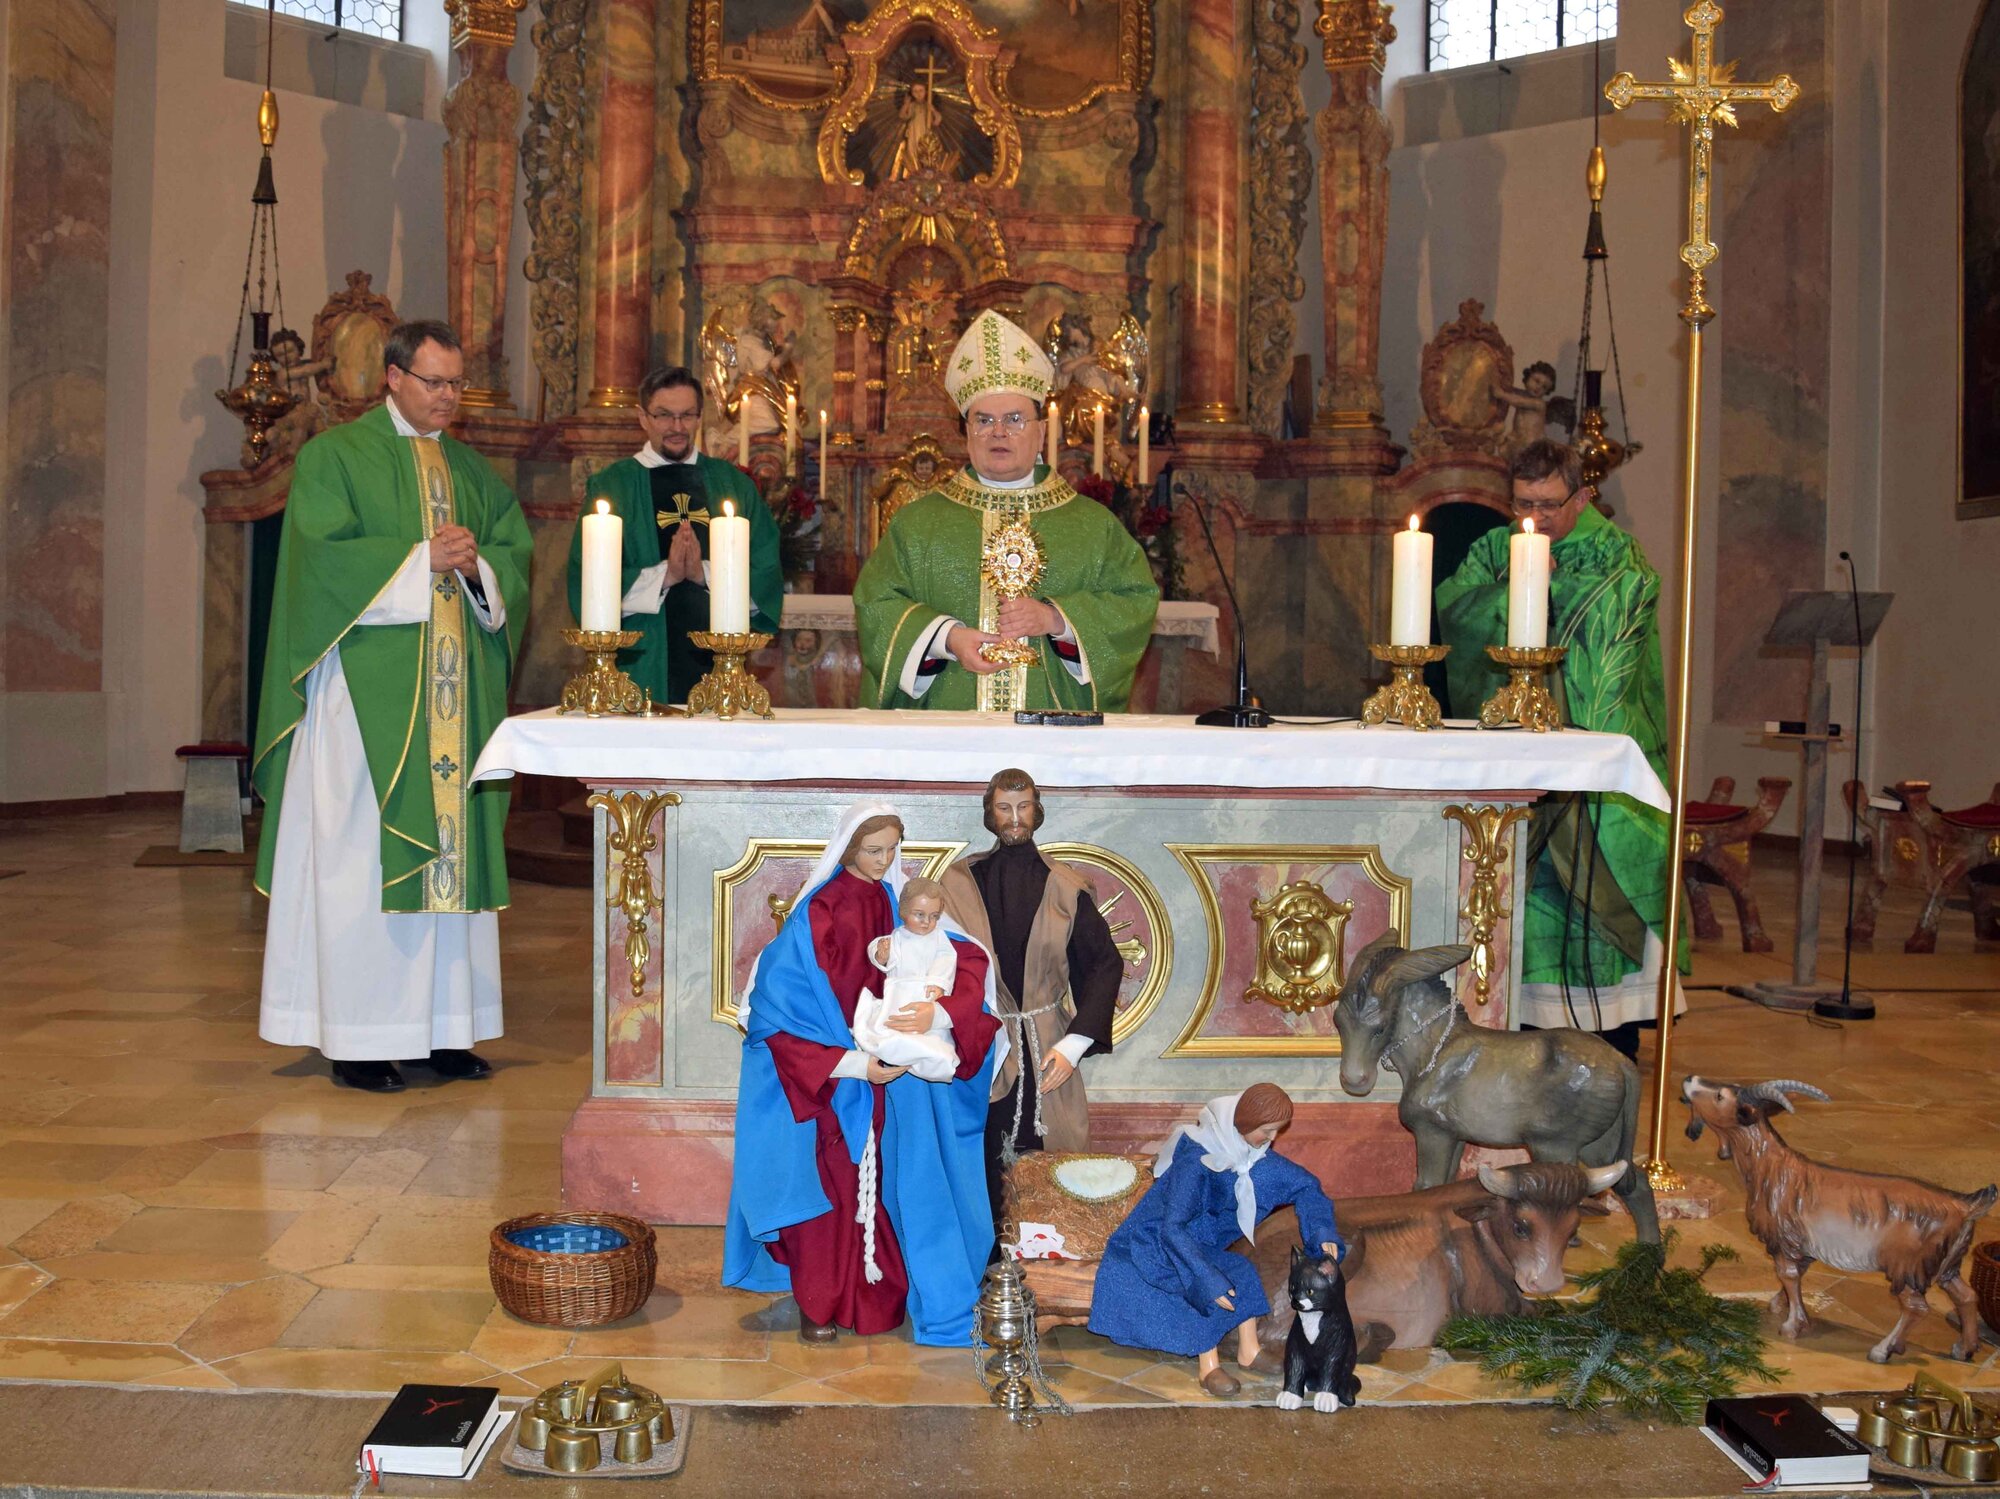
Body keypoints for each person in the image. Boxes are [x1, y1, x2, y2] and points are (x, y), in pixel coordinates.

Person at [254, 319, 532, 1092]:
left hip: (453, 702)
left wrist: (482, 569)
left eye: (455, 384)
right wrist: (418, 560)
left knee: (453, 861)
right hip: (364, 704)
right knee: (358, 860)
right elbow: (318, 559)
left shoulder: (473, 470)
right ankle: (361, 1037)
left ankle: (445, 1031)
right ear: (393, 376)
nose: (448, 397)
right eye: (434, 382)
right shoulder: (332, 457)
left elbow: (512, 549)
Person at [1435, 438, 1687, 1059]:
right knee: (1525, 910)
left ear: (1583, 495)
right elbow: (1454, 610)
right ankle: (1521, 1041)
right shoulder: (1495, 549)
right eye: (1522, 503)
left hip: (1591, 769)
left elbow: (1618, 634)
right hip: (1515, 764)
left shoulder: (1616, 553)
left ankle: (1610, 1046)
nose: (1535, 519)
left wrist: (1549, 593)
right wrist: (1515, 590)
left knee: (1592, 915)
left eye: (1549, 505)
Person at [723, 805, 1002, 1345]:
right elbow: (778, 1014)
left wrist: (939, 1011)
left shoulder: (897, 902)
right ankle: (819, 1298)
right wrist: (854, 1065)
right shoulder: (819, 913)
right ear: (849, 846)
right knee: (832, 1188)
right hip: (835, 1079)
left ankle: (880, 1294)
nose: (885, 861)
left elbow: (952, 954)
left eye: (893, 850)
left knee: (893, 1185)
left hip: (885, 1070)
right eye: (874, 850)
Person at [854, 309, 1160, 713]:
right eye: (984, 420)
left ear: (1041, 431)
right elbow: (876, 604)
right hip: (946, 730)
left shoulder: (1092, 524)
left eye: (1015, 419)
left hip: (1056, 733)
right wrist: (946, 638)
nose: (998, 432)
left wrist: (1057, 620)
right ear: (966, 432)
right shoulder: (918, 524)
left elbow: (1134, 602)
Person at [939, 770, 1124, 1238]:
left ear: (1037, 811)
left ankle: (1047, 1266)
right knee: (984, 1152)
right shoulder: (959, 884)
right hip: (985, 1043)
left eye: (1023, 808)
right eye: (1004, 807)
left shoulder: (1064, 887)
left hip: (1047, 1043)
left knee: (1050, 1149)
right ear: (990, 814)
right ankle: (987, 1261)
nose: (1015, 818)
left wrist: (1076, 1043)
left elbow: (1103, 964)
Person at [1088, 1086, 1344, 1398]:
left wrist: (1321, 1233)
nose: (1272, 1138)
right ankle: (1208, 1366)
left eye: (1277, 1131)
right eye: (1267, 1130)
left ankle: (1248, 1350)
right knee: (1198, 1287)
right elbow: (1173, 1229)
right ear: (1245, 1124)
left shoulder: (1254, 1159)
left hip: (1197, 1242)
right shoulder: (1197, 1160)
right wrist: (1206, 1279)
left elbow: (1306, 1187)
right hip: (1153, 1244)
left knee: (1240, 1269)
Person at [565, 366, 782, 704]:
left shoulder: (732, 484)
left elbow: (766, 572)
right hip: (640, 665)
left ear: (700, 418)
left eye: (687, 416)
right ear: (643, 417)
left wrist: (701, 573)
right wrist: (665, 576)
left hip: (720, 674)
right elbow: (587, 582)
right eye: (664, 416)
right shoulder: (614, 486)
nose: (677, 428)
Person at [853, 877, 960, 1084]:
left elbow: (947, 958)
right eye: (919, 915)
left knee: (932, 1038)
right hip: (900, 995)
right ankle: (900, 1052)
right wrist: (881, 955)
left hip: (925, 997)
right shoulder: (898, 937)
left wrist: (938, 982)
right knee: (894, 1030)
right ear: (903, 911)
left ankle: (929, 1059)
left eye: (934, 916)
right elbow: (878, 951)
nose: (927, 922)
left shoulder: (939, 937)